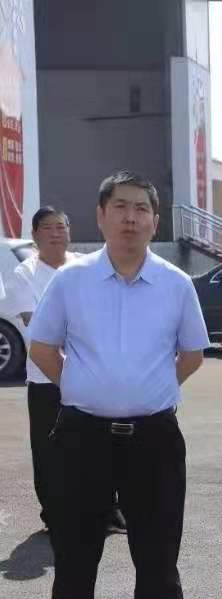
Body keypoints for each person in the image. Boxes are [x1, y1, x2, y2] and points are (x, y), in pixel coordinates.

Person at [29, 170, 210, 599]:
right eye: (121, 207)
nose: (131, 217)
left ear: (155, 222)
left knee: (158, 562)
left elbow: (192, 355)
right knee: (74, 561)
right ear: (101, 216)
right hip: (82, 437)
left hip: (154, 439)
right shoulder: (70, 280)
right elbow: (42, 348)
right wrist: (82, 385)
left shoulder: (176, 284)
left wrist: (150, 389)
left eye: (141, 209)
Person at [7, 206, 126, 534]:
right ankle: (55, 515)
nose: (55, 233)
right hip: (46, 376)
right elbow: (35, 324)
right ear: (35, 235)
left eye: (61, 227)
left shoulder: (85, 266)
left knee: (98, 444)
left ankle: (106, 511)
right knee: (50, 451)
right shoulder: (25, 274)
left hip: (90, 375)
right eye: (48, 228)